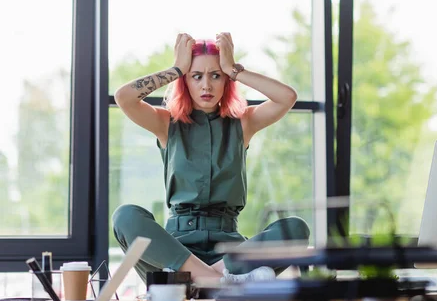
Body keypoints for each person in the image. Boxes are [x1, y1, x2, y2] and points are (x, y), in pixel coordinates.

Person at [112, 32, 310, 284]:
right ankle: (220, 282)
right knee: (125, 216)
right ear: (186, 82)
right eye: (196, 76)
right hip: (176, 251)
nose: (206, 85)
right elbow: (124, 97)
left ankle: (200, 282)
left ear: (226, 81)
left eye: (216, 75)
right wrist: (176, 68)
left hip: (231, 251)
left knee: (295, 228)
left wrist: (233, 69)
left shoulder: (244, 122)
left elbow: (287, 97)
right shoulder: (166, 123)